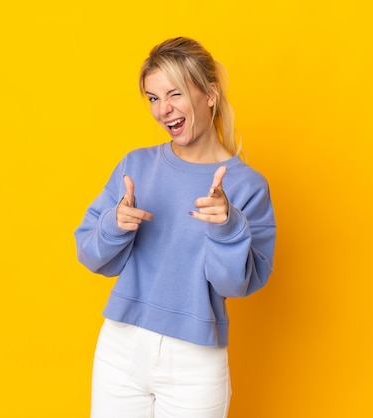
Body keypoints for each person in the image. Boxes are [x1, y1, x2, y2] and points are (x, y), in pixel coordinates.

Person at [74, 36, 276, 418]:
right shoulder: (136, 165)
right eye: (153, 98)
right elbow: (90, 255)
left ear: (209, 94)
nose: (163, 110)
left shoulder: (248, 186)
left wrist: (228, 228)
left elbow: (237, 285)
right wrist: (115, 225)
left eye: (175, 94)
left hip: (194, 360)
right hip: (120, 347)